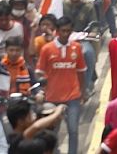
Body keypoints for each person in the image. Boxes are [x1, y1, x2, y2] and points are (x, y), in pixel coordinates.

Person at [36, 17, 88, 154]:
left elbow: (81, 72)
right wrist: (42, 91)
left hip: (73, 97)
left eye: (68, 31)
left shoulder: (77, 48)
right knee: (52, 132)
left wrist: (83, 91)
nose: (66, 34)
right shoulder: (47, 49)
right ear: (57, 31)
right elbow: (40, 73)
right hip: (52, 98)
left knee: (73, 130)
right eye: (63, 31)